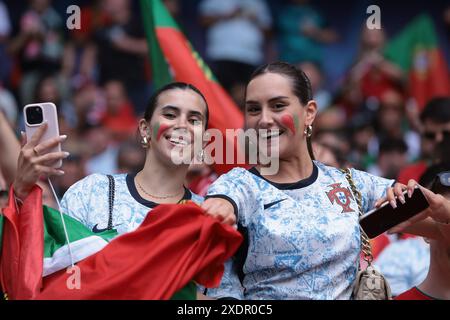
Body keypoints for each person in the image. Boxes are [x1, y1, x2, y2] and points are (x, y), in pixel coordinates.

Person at [11, 82, 229, 299]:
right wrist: (22, 189)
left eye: (194, 120)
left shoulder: (210, 217)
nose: (182, 125)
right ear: (145, 129)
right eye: (170, 115)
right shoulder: (91, 192)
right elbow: (49, 272)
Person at [200, 61, 397, 300]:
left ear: (309, 113)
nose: (263, 119)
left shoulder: (349, 182)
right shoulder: (238, 185)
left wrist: (414, 204)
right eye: (253, 109)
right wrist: (219, 209)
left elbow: (426, 210)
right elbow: (220, 204)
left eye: (278, 105)